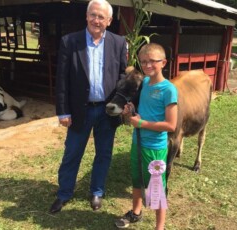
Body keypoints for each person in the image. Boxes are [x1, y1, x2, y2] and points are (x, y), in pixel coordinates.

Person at [49, 0, 127, 214]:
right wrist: (63, 111)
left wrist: (123, 105)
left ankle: (97, 192)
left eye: (101, 17)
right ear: (86, 16)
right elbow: (62, 80)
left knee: (103, 153)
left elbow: (122, 77)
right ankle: (64, 193)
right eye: (93, 15)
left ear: (109, 21)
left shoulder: (119, 43)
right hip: (78, 110)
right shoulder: (70, 42)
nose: (96, 20)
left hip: (107, 110)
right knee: (72, 153)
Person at [115, 43, 178, 230]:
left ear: (163, 62)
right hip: (138, 142)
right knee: (137, 180)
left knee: (156, 188)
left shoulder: (168, 89)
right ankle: (136, 212)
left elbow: (170, 125)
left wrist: (141, 124)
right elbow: (142, 110)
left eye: (152, 61)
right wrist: (131, 110)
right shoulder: (143, 84)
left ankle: (160, 227)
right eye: (144, 62)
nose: (148, 65)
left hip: (155, 148)